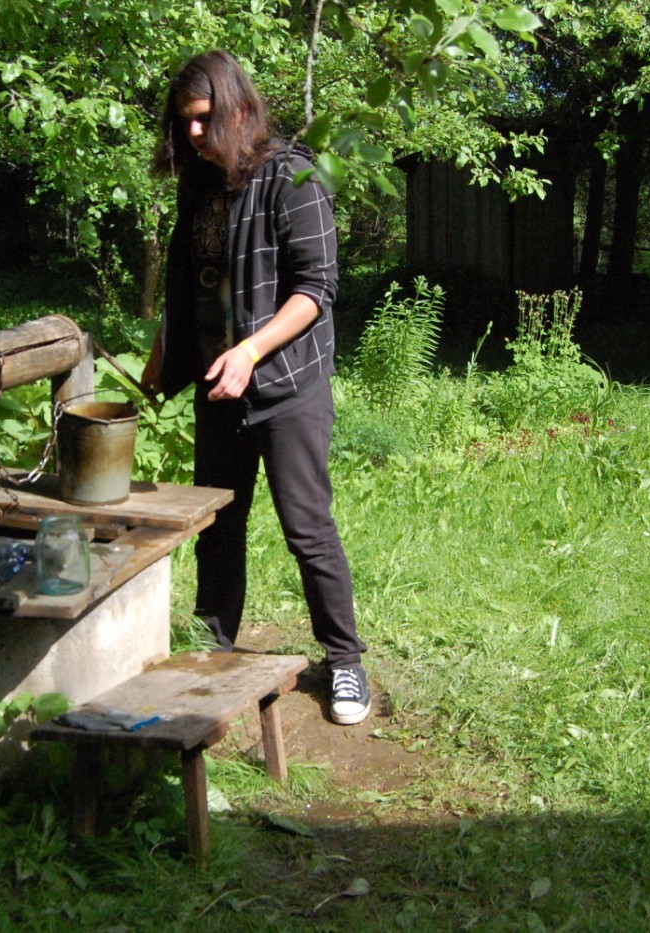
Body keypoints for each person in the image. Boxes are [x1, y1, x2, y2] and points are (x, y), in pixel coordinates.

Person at [140, 50, 369, 725]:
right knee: (218, 526)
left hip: (287, 386)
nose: (192, 133)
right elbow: (186, 286)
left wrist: (249, 350)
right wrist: (162, 357)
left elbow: (315, 290)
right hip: (220, 387)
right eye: (183, 122)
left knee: (307, 528)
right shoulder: (199, 187)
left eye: (203, 118)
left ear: (239, 109)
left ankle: (346, 661)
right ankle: (211, 650)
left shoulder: (292, 175)